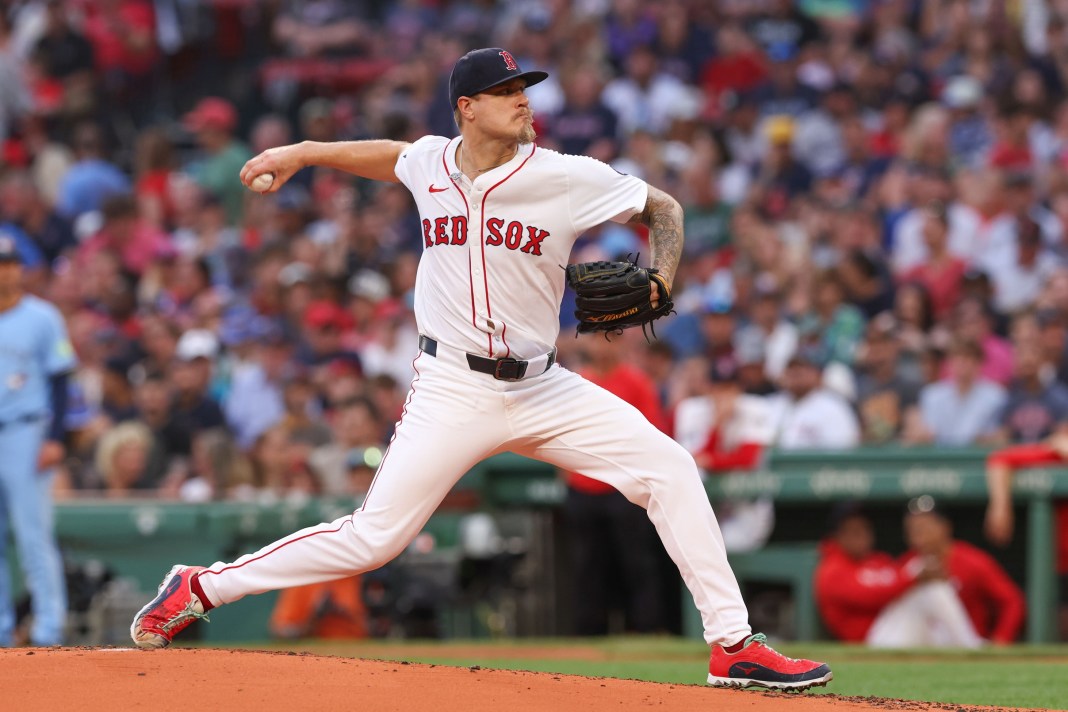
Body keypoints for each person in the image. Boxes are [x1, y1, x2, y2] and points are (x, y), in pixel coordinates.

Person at [130, 47, 831, 691]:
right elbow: (392, 156)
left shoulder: (561, 174)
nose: (522, 99)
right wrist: (304, 152)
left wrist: (662, 278)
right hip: (452, 387)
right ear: (467, 107)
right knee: (374, 537)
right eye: (504, 91)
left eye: (523, 87)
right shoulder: (433, 162)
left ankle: (732, 643)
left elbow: (664, 209)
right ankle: (198, 588)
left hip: (543, 385)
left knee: (670, 468)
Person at [0, 235, 77, 646]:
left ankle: (49, 629)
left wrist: (55, 437)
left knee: (33, 536)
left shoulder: (42, 316)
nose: (5, 269)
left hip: (25, 432)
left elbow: (61, 379)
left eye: (10, 262)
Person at [875, 496, 1025, 647]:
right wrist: (914, 580)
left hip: (956, 642)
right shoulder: (908, 563)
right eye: (912, 528)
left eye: (924, 526)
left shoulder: (972, 561)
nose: (918, 533)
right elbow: (883, 599)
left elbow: (1012, 601)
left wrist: (1002, 639)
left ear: (945, 527)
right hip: (921, 640)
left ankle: (971, 646)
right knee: (929, 589)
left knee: (936, 589)